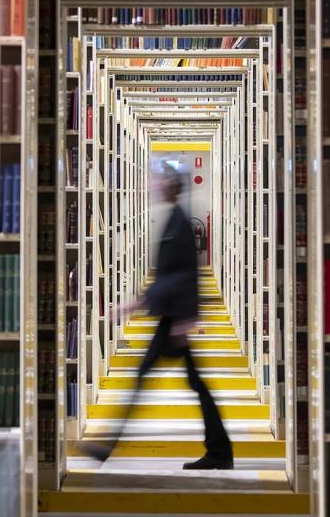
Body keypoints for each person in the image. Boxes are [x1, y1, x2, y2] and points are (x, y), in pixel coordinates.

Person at [82, 163, 234, 470]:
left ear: (171, 185)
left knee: (155, 380)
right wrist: (138, 304)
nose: (155, 184)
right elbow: (170, 276)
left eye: (160, 179)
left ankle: (107, 446)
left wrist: (182, 319)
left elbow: (185, 274)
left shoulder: (179, 223)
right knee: (192, 384)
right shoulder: (174, 219)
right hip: (173, 317)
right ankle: (220, 451)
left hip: (174, 320)